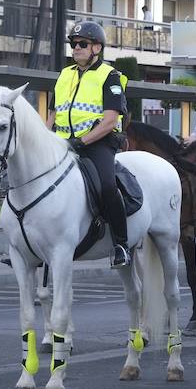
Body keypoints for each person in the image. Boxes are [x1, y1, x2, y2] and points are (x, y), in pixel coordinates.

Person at [53, 20, 132, 268]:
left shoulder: (110, 76)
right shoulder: (65, 75)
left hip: (97, 143)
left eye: (82, 44)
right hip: (63, 143)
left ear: (97, 48)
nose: (76, 48)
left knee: (107, 186)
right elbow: (53, 114)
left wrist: (82, 141)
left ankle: (121, 244)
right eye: (73, 44)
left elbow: (110, 121)